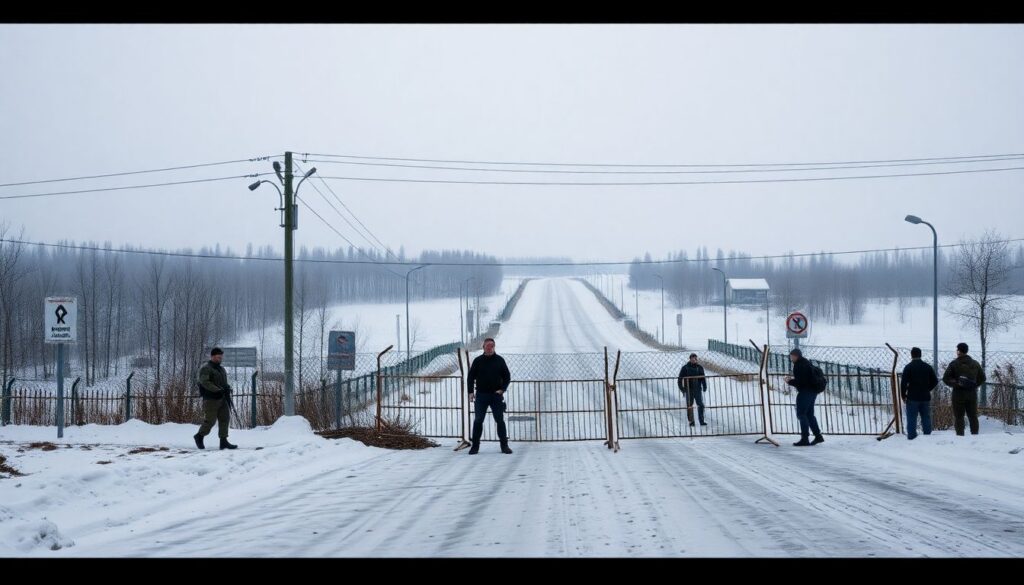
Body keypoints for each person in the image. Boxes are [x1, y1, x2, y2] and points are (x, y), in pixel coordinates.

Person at [467, 338, 512, 455]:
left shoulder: (499, 360)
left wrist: (502, 389)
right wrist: (470, 392)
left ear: (494, 347)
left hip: (496, 396)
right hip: (481, 396)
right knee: (478, 421)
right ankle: (475, 447)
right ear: (483, 347)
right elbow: (470, 377)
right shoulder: (478, 361)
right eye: (487, 346)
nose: (490, 348)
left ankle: (504, 446)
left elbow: (507, 376)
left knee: (500, 420)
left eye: (492, 346)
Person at [194, 347, 237, 450]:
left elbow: (223, 382)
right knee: (210, 421)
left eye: (221, 357)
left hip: (222, 398)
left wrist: (226, 387)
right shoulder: (206, 368)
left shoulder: (221, 369)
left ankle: (223, 442)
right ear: (212, 356)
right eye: (218, 357)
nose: (220, 359)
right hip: (211, 399)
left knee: (225, 419)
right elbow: (205, 382)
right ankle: (199, 436)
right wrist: (217, 390)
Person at [942, 342, 986, 436]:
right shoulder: (975, 363)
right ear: (967, 351)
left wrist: (956, 384)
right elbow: (982, 378)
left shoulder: (954, 364)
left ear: (958, 351)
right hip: (972, 394)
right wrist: (974, 385)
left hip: (958, 394)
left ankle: (960, 436)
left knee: (959, 417)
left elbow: (945, 378)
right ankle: (975, 435)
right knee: (973, 416)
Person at [785, 348, 824, 446]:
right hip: (813, 392)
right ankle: (818, 436)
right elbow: (805, 379)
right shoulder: (807, 363)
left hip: (805, 392)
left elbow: (801, 382)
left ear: (796, 356)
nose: (791, 358)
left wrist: (789, 381)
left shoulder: (799, 365)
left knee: (801, 414)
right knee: (809, 415)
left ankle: (805, 438)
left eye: (791, 356)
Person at [901, 347, 938, 440]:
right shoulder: (927, 367)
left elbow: (903, 383)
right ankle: (927, 437)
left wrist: (903, 395)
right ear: (920, 355)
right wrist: (928, 389)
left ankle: (912, 438)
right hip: (925, 397)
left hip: (912, 397)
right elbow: (935, 381)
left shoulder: (908, 367)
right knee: (926, 418)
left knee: (912, 418)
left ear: (911, 355)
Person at [677, 353, 708, 426]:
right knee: (689, 405)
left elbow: (703, 378)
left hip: (697, 389)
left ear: (697, 359)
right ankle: (691, 421)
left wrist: (704, 386)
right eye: (692, 358)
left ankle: (701, 421)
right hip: (689, 390)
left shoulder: (700, 367)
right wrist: (682, 388)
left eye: (695, 359)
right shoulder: (685, 368)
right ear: (690, 359)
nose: (694, 360)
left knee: (700, 405)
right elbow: (679, 379)